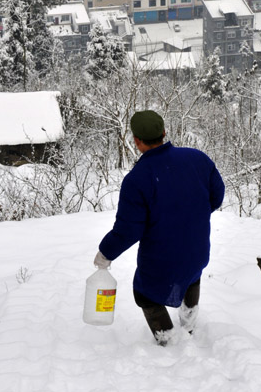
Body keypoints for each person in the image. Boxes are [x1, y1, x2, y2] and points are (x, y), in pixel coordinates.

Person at [94, 109, 225, 345]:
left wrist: (106, 253)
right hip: (197, 248)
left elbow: (129, 229)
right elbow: (216, 196)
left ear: (136, 141)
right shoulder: (197, 159)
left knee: (144, 294)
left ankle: (168, 339)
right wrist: (192, 215)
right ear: (164, 133)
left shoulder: (137, 179)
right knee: (191, 277)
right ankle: (189, 324)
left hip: (162, 256)